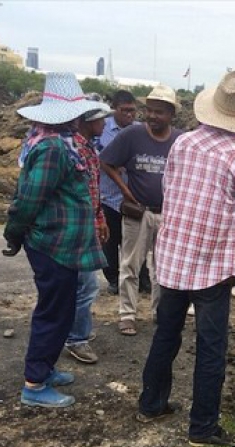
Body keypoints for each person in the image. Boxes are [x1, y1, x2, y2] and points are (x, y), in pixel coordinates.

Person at [138, 68, 235, 446]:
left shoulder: (183, 143)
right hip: (213, 265)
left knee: (166, 334)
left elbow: (169, 191)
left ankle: (151, 403)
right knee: (211, 346)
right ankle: (202, 428)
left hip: (173, 257)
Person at [3, 72, 107, 408]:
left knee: (60, 309)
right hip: (53, 245)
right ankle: (34, 384)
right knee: (53, 312)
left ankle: (44, 370)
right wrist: (13, 233)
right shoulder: (53, 149)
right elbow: (29, 199)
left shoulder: (60, 143)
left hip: (63, 245)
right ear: (71, 116)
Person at [100, 85, 183, 336]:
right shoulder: (132, 136)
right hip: (139, 212)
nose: (153, 116)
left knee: (162, 268)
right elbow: (106, 161)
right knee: (130, 265)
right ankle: (127, 314)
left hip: (167, 214)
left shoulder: (179, 140)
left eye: (160, 112)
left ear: (171, 114)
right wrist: (125, 190)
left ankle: (160, 313)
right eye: (150, 110)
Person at [64, 95, 112, 365]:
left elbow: (94, 191)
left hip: (89, 226)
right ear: (85, 121)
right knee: (86, 285)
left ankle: (74, 331)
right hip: (77, 230)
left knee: (83, 284)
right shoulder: (75, 150)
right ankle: (76, 338)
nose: (104, 123)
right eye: (100, 119)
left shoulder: (89, 147)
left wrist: (100, 218)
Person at [97, 90, 139, 296]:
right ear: (115, 108)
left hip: (134, 198)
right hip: (108, 196)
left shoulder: (141, 131)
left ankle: (140, 278)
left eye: (133, 111)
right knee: (110, 242)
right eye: (125, 111)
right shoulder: (102, 128)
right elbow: (100, 159)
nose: (129, 115)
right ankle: (113, 279)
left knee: (135, 241)